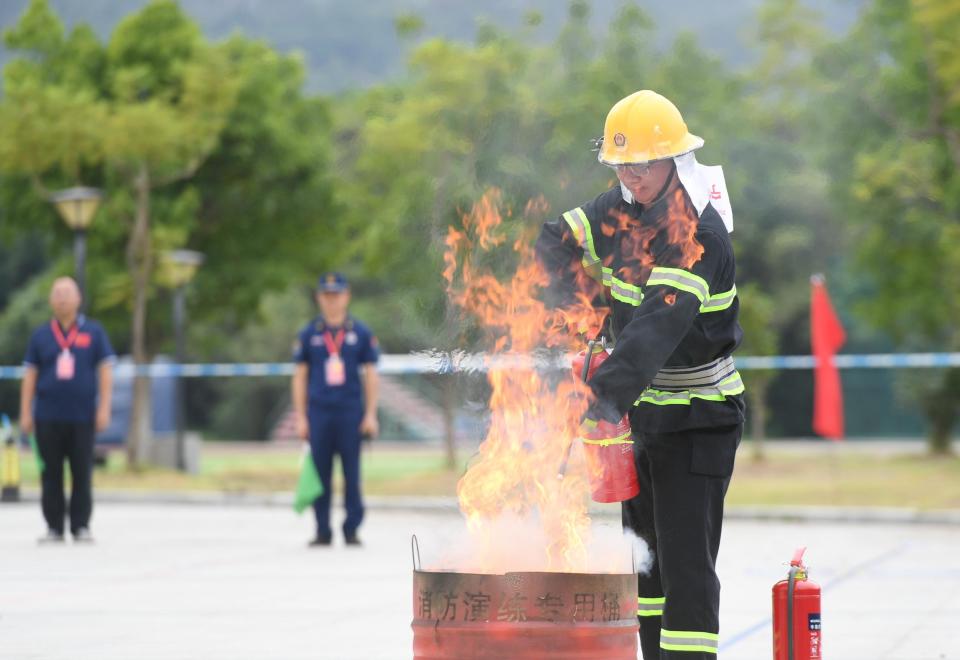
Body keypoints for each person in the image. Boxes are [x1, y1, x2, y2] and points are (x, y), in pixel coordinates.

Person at [536, 90, 744, 659]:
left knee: (685, 574)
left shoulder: (698, 236)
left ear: (675, 160)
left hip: (698, 420)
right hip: (643, 416)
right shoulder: (616, 208)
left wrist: (589, 403)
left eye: (644, 163)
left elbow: (654, 331)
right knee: (644, 570)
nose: (632, 174)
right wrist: (587, 309)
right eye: (621, 163)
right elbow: (554, 239)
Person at [19, 277, 115, 544]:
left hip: (83, 416)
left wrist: (104, 407)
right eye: (57, 293)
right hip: (47, 415)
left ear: (78, 298)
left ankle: (80, 526)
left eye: (67, 293)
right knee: (50, 473)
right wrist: (26, 412)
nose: (62, 298)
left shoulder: (94, 332)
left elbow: (105, 371)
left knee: (82, 471)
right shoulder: (40, 335)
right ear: (51, 300)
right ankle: (54, 527)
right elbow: (30, 375)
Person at [291, 272, 380, 547]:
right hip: (319, 414)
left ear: (347, 296)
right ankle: (322, 530)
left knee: (352, 474)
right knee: (321, 473)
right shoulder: (309, 333)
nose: (332, 300)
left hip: (350, 413)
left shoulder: (360, 332)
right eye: (327, 295)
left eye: (337, 295)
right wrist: (301, 416)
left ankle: (351, 529)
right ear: (319, 297)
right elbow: (300, 375)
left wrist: (370, 414)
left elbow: (371, 373)